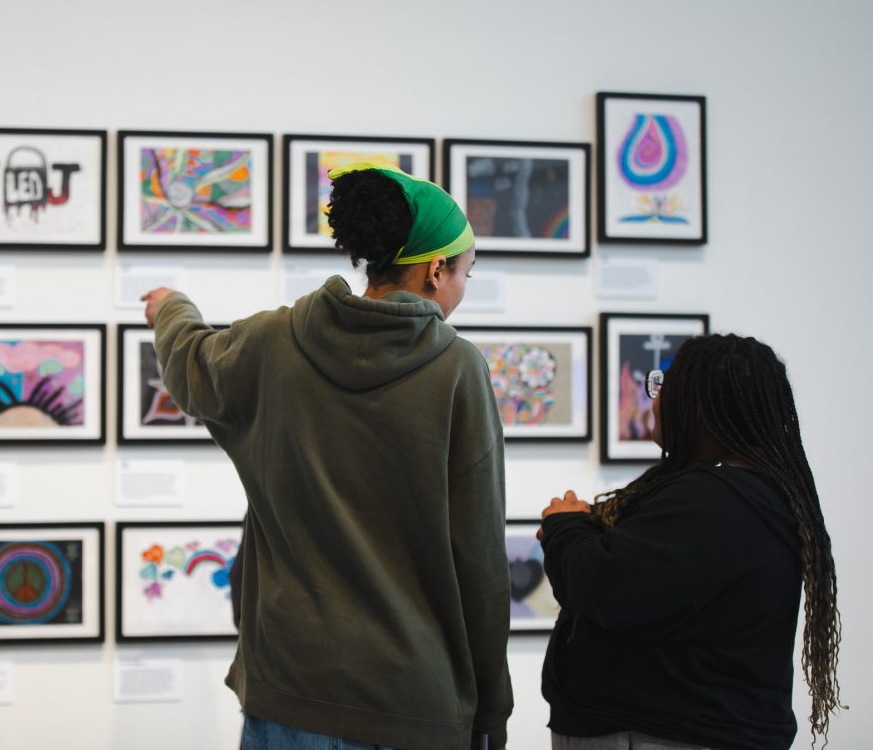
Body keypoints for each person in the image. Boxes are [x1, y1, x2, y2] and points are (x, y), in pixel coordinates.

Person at [141, 162, 513, 750]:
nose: (463, 287)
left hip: (288, 693)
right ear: (436, 270)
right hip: (410, 703)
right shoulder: (456, 370)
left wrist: (170, 309)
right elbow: (482, 560)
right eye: (466, 272)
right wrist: (493, 707)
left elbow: (190, 364)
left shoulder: (271, 341)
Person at [538, 334, 843, 750]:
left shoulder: (716, 500)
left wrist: (565, 525)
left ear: (697, 408)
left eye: (665, 386)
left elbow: (603, 585)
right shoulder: (742, 497)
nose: (655, 399)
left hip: (657, 736)